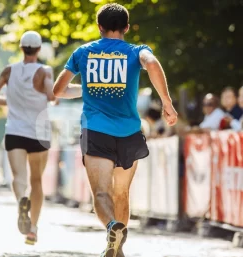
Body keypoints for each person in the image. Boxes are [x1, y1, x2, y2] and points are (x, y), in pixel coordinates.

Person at [53, 3, 177, 257]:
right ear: (127, 27)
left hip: (96, 131)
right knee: (121, 192)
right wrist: (166, 101)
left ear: (99, 27)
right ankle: (118, 250)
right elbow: (152, 64)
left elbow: (58, 90)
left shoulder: (83, 52)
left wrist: (85, 90)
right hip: (129, 132)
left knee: (101, 193)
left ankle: (112, 228)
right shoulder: (136, 51)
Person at [0, 31, 57, 245]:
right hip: (39, 133)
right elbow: (52, 97)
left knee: (19, 177)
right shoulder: (45, 71)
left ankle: (21, 202)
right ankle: (33, 229)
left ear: (21, 48)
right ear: (38, 50)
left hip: (15, 131)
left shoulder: (9, 71)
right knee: (37, 180)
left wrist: (14, 102)